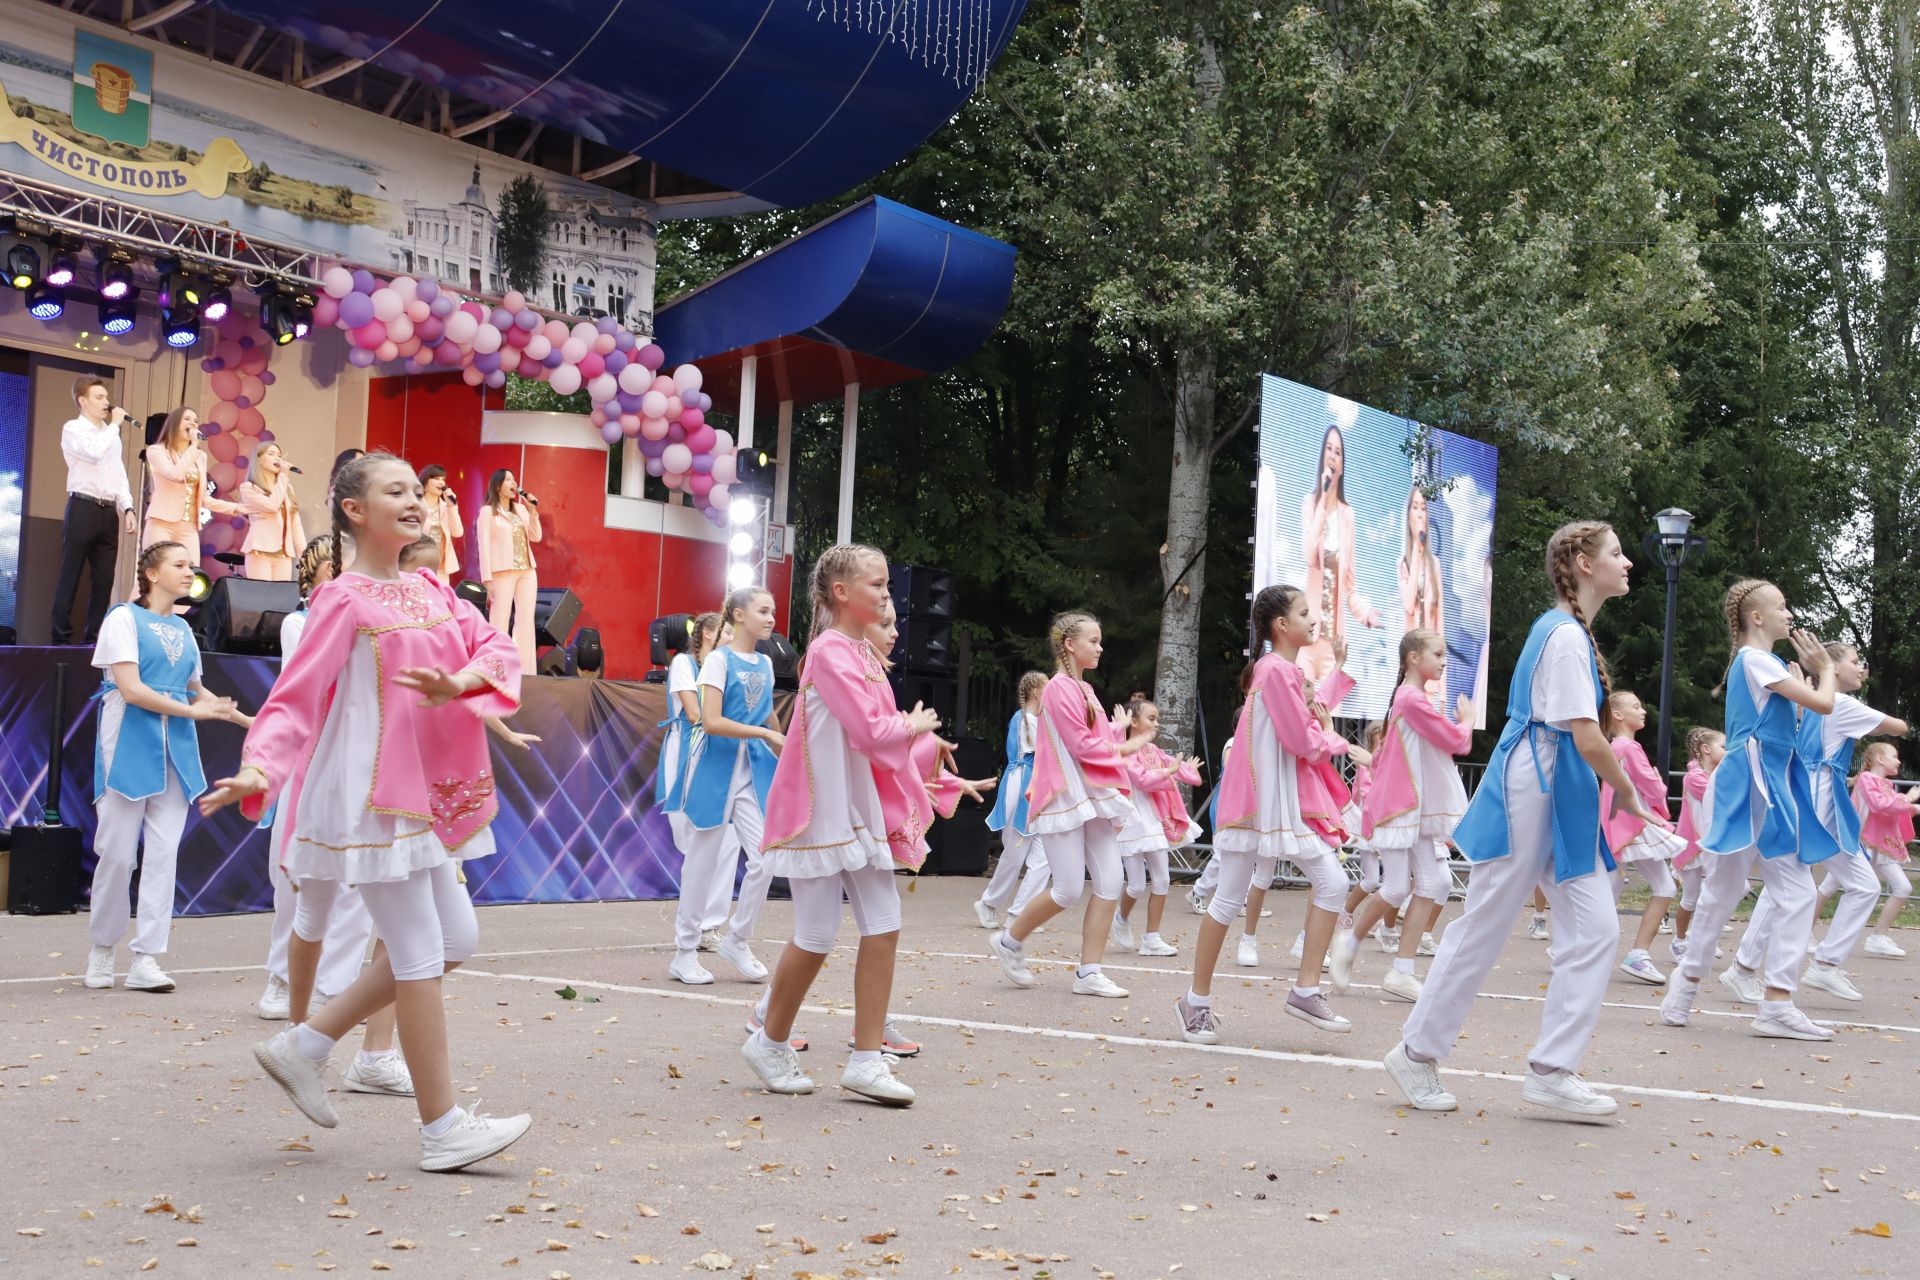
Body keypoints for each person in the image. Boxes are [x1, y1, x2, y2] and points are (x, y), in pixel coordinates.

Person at [199, 452, 531, 1172]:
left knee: (457, 940)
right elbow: (294, 697)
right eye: (396, 491)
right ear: (355, 510)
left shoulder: (434, 589)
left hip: (427, 791)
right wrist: (259, 767)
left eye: (418, 490)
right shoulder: (340, 600)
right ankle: (442, 1129)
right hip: (372, 794)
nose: (415, 501)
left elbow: (496, 648)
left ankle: (307, 1043)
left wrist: (462, 680)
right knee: (416, 953)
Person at [1384, 520, 1653, 1118]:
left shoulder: (1567, 634)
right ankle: (1416, 1052)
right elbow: (1585, 734)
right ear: (1584, 564)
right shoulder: (1560, 635)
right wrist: (1629, 792)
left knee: (1597, 931)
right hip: (1537, 782)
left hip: (1559, 788)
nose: (1627, 560)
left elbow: (1582, 737)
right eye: (1616, 551)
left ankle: (1553, 1070)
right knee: (1486, 922)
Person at [743, 544, 940, 1104]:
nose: (886, 594)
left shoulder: (862, 653)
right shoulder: (831, 651)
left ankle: (866, 1059)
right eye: (875, 585)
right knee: (817, 934)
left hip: (852, 808)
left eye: (885, 584)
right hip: (820, 810)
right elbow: (875, 733)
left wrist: (919, 740)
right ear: (841, 593)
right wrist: (911, 725)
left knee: (883, 921)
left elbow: (882, 742)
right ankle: (770, 1039)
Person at [1659, 579, 1839, 1040]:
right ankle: (1768, 1000)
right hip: (1752, 781)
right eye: (1781, 606)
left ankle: (1692, 986)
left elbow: (1794, 720)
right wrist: (1824, 670)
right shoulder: (1756, 660)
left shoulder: (1762, 663)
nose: (1789, 613)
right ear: (1756, 618)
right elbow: (1824, 704)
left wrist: (1806, 689)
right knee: (1769, 890)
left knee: (1735, 889)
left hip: (1759, 781)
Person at [1172, 588, 1352, 1044]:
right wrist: (1338, 743)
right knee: (1232, 900)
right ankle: (1197, 1002)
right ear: (1280, 625)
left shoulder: (1278, 670)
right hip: (1262, 803)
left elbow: (1303, 721)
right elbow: (1304, 739)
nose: (1314, 620)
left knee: (1331, 882)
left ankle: (1304, 989)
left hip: (1272, 804)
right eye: (1305, 613)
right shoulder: (1276, 671)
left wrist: (1329, 710)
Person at [83, 542, 247, 993]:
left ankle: (146, 958)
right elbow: (131, 690)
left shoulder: (183, 629)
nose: (188, 572)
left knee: (162, 856)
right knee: (117, 854)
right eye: (178, 565)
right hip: (129, 744)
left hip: (176, 750)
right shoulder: (122, 618)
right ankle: (102, 948)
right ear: (152, 574)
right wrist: (193, 712)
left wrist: (250, 722)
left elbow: (198, 691)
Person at [1724, 641, 1906, 1003]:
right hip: (1814, 801)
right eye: (1856, 662)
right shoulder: (1840, 704)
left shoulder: (1811, 701)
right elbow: (1899, 727)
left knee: (1858, 885)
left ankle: (1819, 965)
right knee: (1789, 886)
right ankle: (1748, 967)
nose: (1861, 668)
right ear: (1833, 667)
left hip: (1814, 798)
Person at [987, 611, 1140, 999]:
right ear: (1070, 645)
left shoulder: (1085, 689)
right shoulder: (1058, 688)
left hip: (1091, 795)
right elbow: (1082, 744)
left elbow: (1096, 736)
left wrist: (1118, 734)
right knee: (1069, 889)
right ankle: (1009, 940)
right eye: (1093, 640)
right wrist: (1125, 746)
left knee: (1111, 881)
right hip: (1064, 795)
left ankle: (1089, 972)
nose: (1100, 647)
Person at [1332, 629, 1472, 1003]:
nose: (1444, 662)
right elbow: (1458, 741)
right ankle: (1352, 942)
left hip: (1412, 807)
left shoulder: (1407, 699)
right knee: (1397, 887)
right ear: (1414, 658)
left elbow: (1395, 752)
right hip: (1399, 806)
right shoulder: (1411, 699)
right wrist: (1468, 720)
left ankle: (1401, 970)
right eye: (1438, 654)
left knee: (1432, 882)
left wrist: (1373, 761)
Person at [670, 587, 782, 987]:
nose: (771, 618)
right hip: (716, 769)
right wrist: (766, 735)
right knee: (701, 862)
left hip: (753, 773)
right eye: (763, 611)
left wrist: (780, 744)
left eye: (773, 611)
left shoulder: (766, 665)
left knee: (766, 857)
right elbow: (711, 721)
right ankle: (684, 953)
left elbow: (768, 715)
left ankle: (738, 938)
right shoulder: (717, 661)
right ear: (738, 614)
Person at [1598, 691, 1688, 986]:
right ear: (1619, 715)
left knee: (1614, 888)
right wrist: (1660, 786)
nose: (1643, 710)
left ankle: (1574, 945)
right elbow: (1652, 788)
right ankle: (1635, 954)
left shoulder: (1614, 746)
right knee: (1658, 886)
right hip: (1634, 824)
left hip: (1621, 825)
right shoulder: (1630, 748)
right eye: (1636, 706)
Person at [1111, 695, 1203, 958]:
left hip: (1154, 820)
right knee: (1137, 885)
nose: (1157, 723)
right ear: (1134, 722)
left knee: (1162, 879)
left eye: (1157, 719)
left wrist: (1185, 769)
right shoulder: (1125, 750)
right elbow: (1142, 780)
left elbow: (1182, 772)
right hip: (1132, 820)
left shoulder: (1154, 751)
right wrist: (1171, 770)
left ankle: (1152, 938)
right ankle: (1121, 917)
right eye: (1152, 718)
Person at [52, 376, 136, 644]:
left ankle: (94, 639)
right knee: (71, 573)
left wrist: (128, 507)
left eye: (106, 397)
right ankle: (60, 638)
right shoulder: (73, 429)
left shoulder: (110, 434)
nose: (106, 403)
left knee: (104, 579)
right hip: (82, 506)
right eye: (99, 398)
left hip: (107, 511)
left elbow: (118, 473)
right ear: (82, 401)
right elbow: (94, 453)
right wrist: (113, 426)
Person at [1298, 423, 1380, 682]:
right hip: (1307, 639)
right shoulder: (1309, 503)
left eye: (1339, 451)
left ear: (1343, 464)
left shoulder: (1348, 515)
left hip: (1334, 646)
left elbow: (1350, 589)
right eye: (1329, 449)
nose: (1333, 455)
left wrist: (1367, 614)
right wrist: (1323, 500)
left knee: (1327, 719)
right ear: (1323, 456)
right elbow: (1309, 555)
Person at [974, 672, 1050, 931]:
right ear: (1038, 692)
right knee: (1015, 855)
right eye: (1047, 688)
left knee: (1045, 858)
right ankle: (988, 902)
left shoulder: (1035, 720)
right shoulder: (1025, 719)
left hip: (1035, 789)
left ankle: (1020, 913)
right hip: (1023, 789)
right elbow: (1043, 755)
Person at [142, 406, 239, 554]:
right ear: (174, 424)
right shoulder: (156, 451)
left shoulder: (200, 456)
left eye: (195, 421)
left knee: (191, 573)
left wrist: (237, 508)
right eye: (187, 419)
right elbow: (176, 475)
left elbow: (205, 499)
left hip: (189, 527)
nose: (193, 423)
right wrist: (193, 446)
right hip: (162, 524)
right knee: (159, 571)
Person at [1851, 743, 1917, 959]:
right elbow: (1881, 805)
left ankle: (1878, 936)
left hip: (1874, 844)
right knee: (1830, 886)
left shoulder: (1884, 783)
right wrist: (1909, 802)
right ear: (1879, 758)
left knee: (1902, 887)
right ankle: (1877, 937)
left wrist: (1908, 804)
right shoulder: (1867, 780)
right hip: (1864, 842)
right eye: (1894, 756)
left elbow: (1889, 809)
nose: (1899, 761)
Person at [1669, 728, 1726, 964]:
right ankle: (1679, 941)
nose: (1727, 751)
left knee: (1730, 889)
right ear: (1705, 750)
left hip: (1708, 846)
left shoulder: (1710, 774)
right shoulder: (1695, 778)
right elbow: (1721, 796)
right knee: (1691, 897)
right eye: (1723, 746)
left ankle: (1701, 937)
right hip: (1693, 848)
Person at [477, 468, 542, 669]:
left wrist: (533, 513)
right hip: (501, 571)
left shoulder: (521, 510)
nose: (514, 483)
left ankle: (524, 670)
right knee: (499, 620)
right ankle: (494, 667)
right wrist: (487, 579)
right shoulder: (488, 512)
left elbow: (536, 537)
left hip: (527, 571)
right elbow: (484, 546)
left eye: (514, 480)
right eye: (508, 480)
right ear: (497, 486)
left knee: (525, 619)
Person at [237, 442, 306, 581]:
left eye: (279, 455)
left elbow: (295, 524)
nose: (278, 458)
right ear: (259, 460)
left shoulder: (287, 488)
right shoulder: (249, 488)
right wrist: (283, 477)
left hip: (284, 554)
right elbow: (272, 506)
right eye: (271, 454)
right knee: (261, 598)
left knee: (279, 600)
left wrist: (304, 556)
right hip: (260, 552)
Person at [1397, 485, 1444, 636]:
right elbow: (1409, 605)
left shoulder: (1434, 564)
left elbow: (1440, 617)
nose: (1419, 514)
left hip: (1430, 650)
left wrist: (1442, 656)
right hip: (1412, 651)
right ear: (1409, 515)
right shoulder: (1402, 564)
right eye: (1415, 507)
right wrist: (1417, 549)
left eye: (1423, 509)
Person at [418, 465, 465, 580]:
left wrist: (452, 507)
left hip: (441, 568)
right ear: (425, 483)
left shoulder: (446, 507)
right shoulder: (416, 505)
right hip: (417, 565)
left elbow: (457, 533)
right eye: (436, 478)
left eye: (443, 479)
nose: (441, 482)